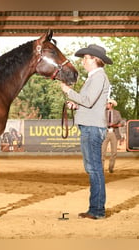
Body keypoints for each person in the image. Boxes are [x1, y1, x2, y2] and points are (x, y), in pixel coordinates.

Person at [60, 44, 113, 220]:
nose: (83, 61)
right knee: (93, 168)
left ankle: (97, 210)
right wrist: (76, 104)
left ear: (95, 60)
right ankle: (95, 208)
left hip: (92, 128)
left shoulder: (98, 77)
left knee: (94, 169)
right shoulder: (94, 77)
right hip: (90, 126)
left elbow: (88, 101)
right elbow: (88, 103)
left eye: (86, 58)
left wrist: (69, 92)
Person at [102, 99, 124, 173]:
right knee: (102, 152)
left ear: (111, 104)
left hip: (114, 133)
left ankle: (111, 168)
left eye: (107, 104)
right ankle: (101, 168)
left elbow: (122, 122)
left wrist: (119, 124)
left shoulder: (117, 113)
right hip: (105, 133)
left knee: (114, 152)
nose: (106, 105)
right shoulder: (103, 112)